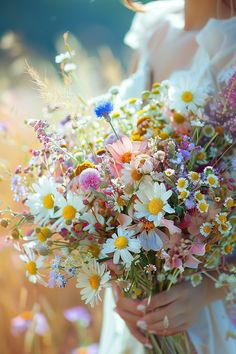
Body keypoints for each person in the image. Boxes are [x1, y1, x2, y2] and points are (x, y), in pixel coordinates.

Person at [99, 1, 236, 353]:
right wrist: (120, 276)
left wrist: (207, 292)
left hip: (213, 312)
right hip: (139, 306)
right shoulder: (154, 24)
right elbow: (117, 150)